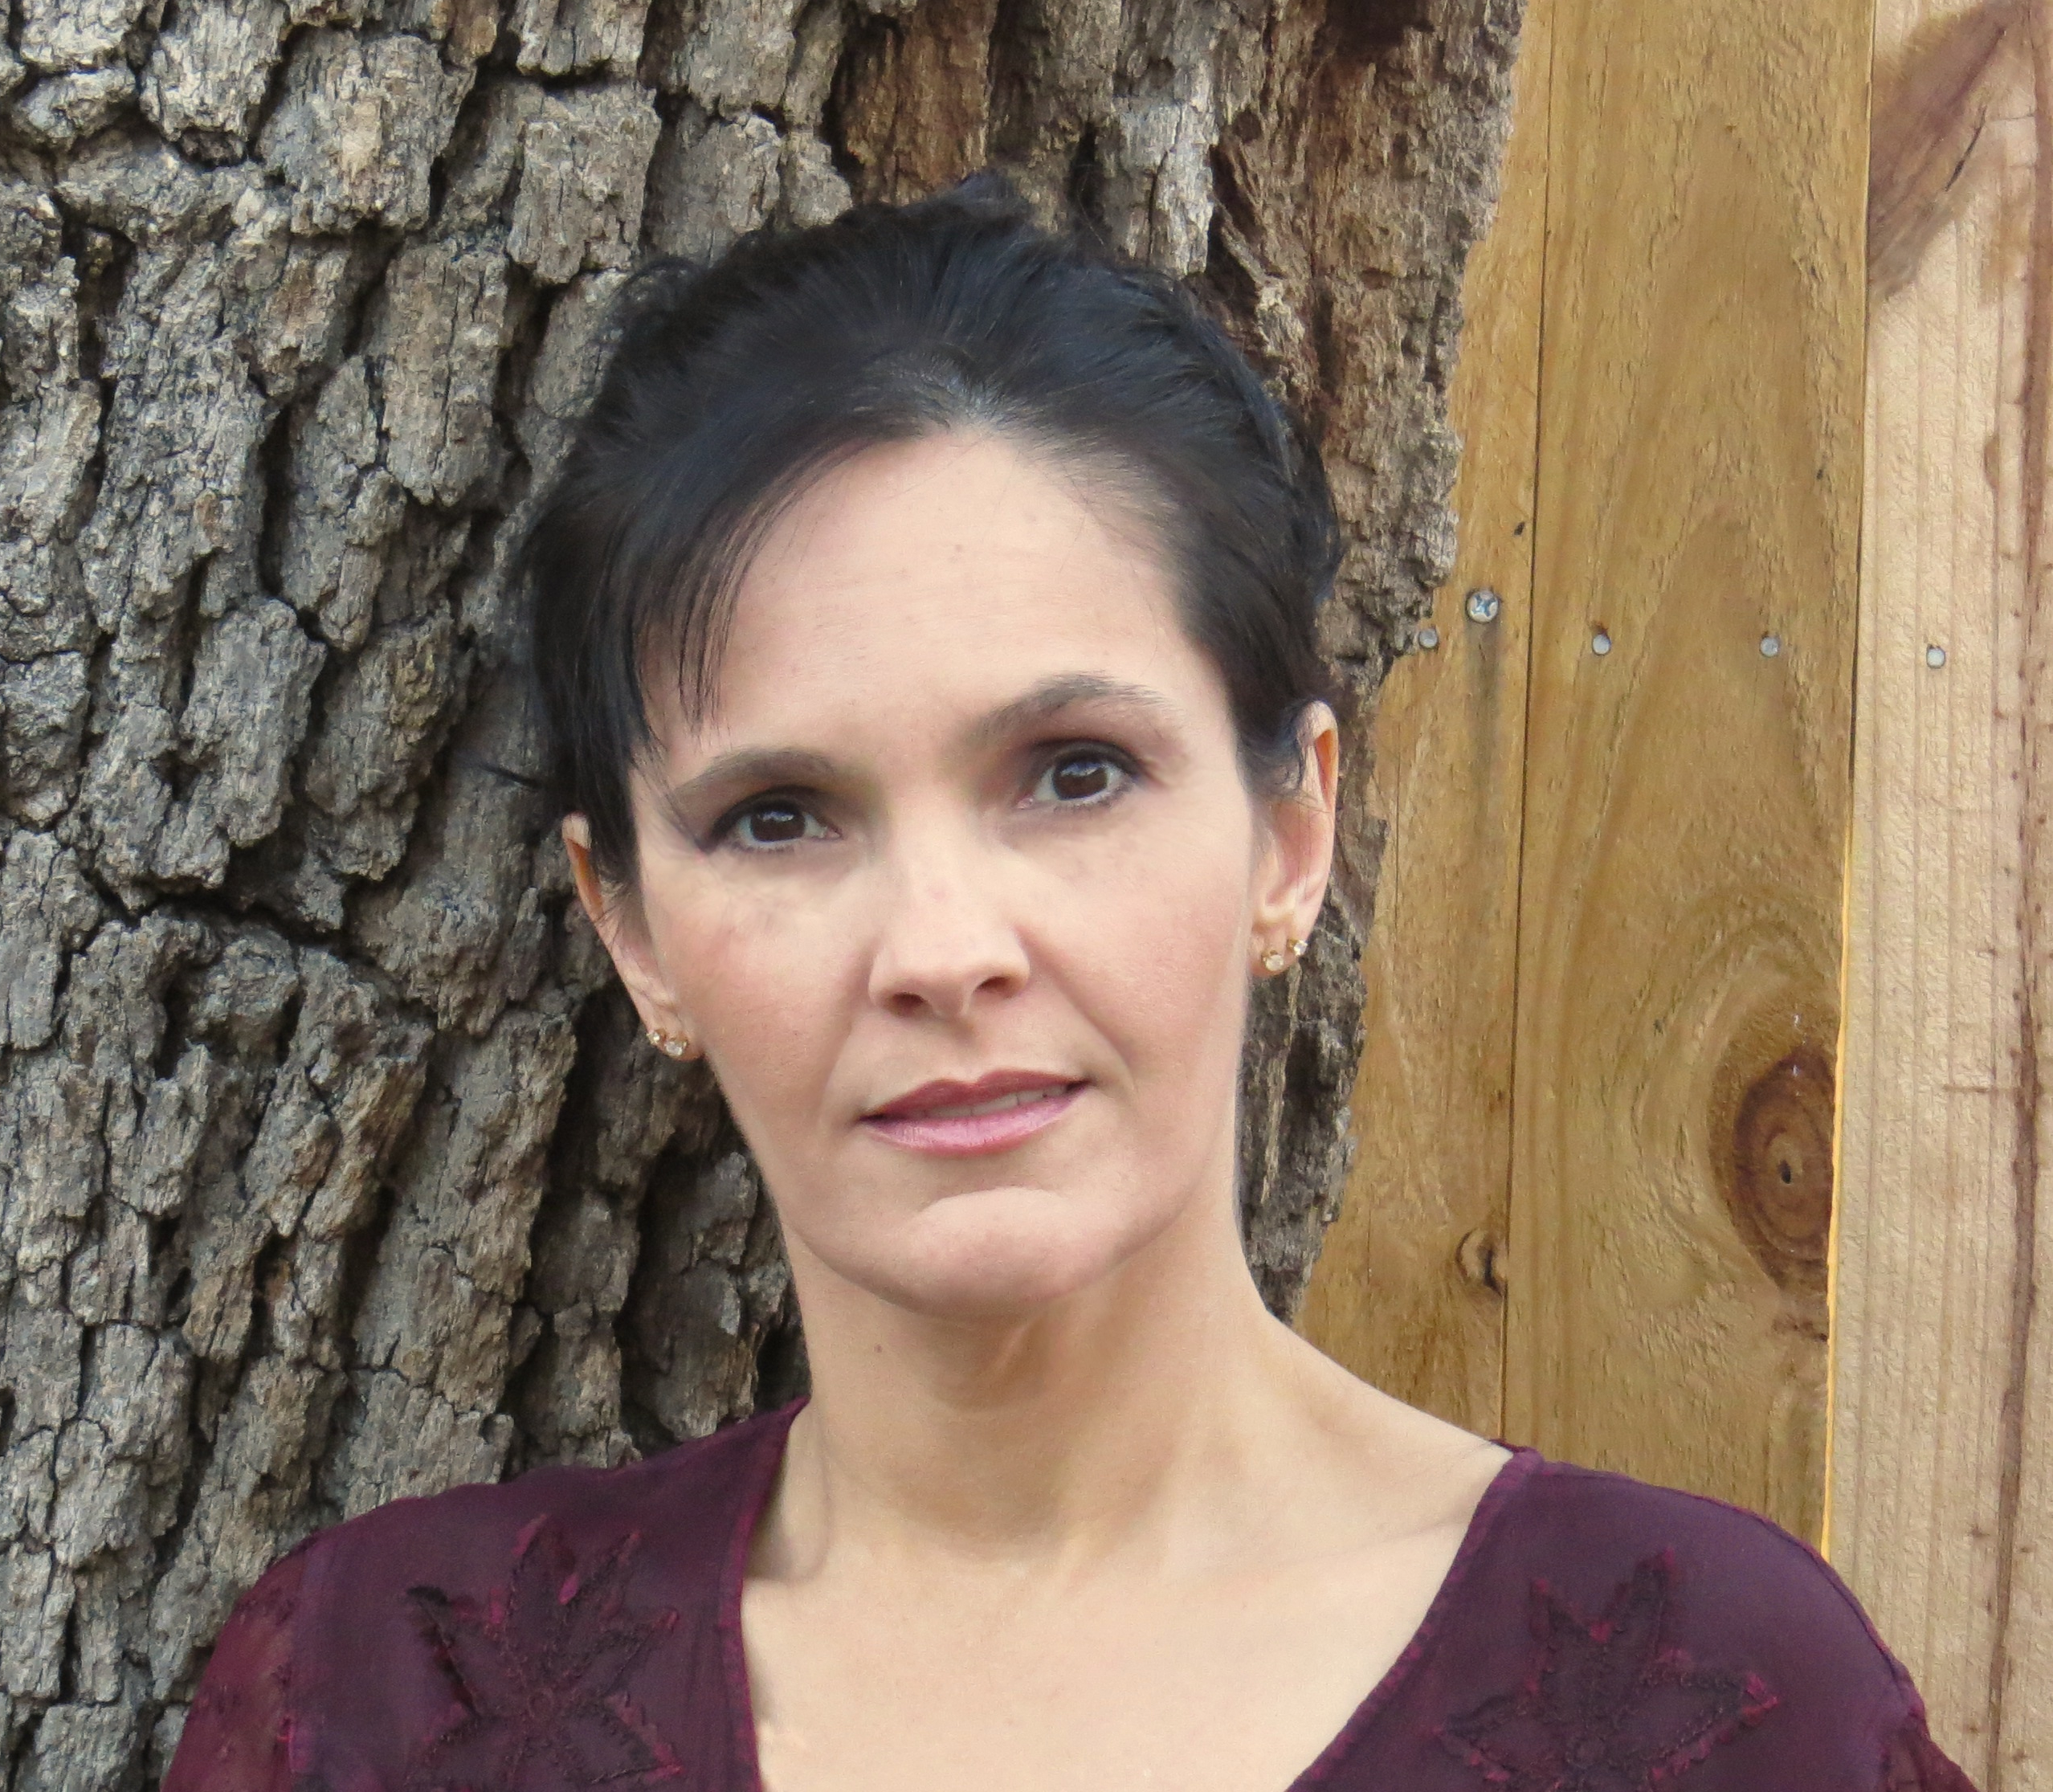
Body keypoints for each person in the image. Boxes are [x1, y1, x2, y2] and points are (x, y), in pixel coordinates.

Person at [165, 179, 1976, 1792]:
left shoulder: (1716, 1706)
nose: (945, 948)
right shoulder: (386, 1701)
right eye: (779, 817)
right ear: (632, 926)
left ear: (1290, 831)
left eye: (1075, 773)